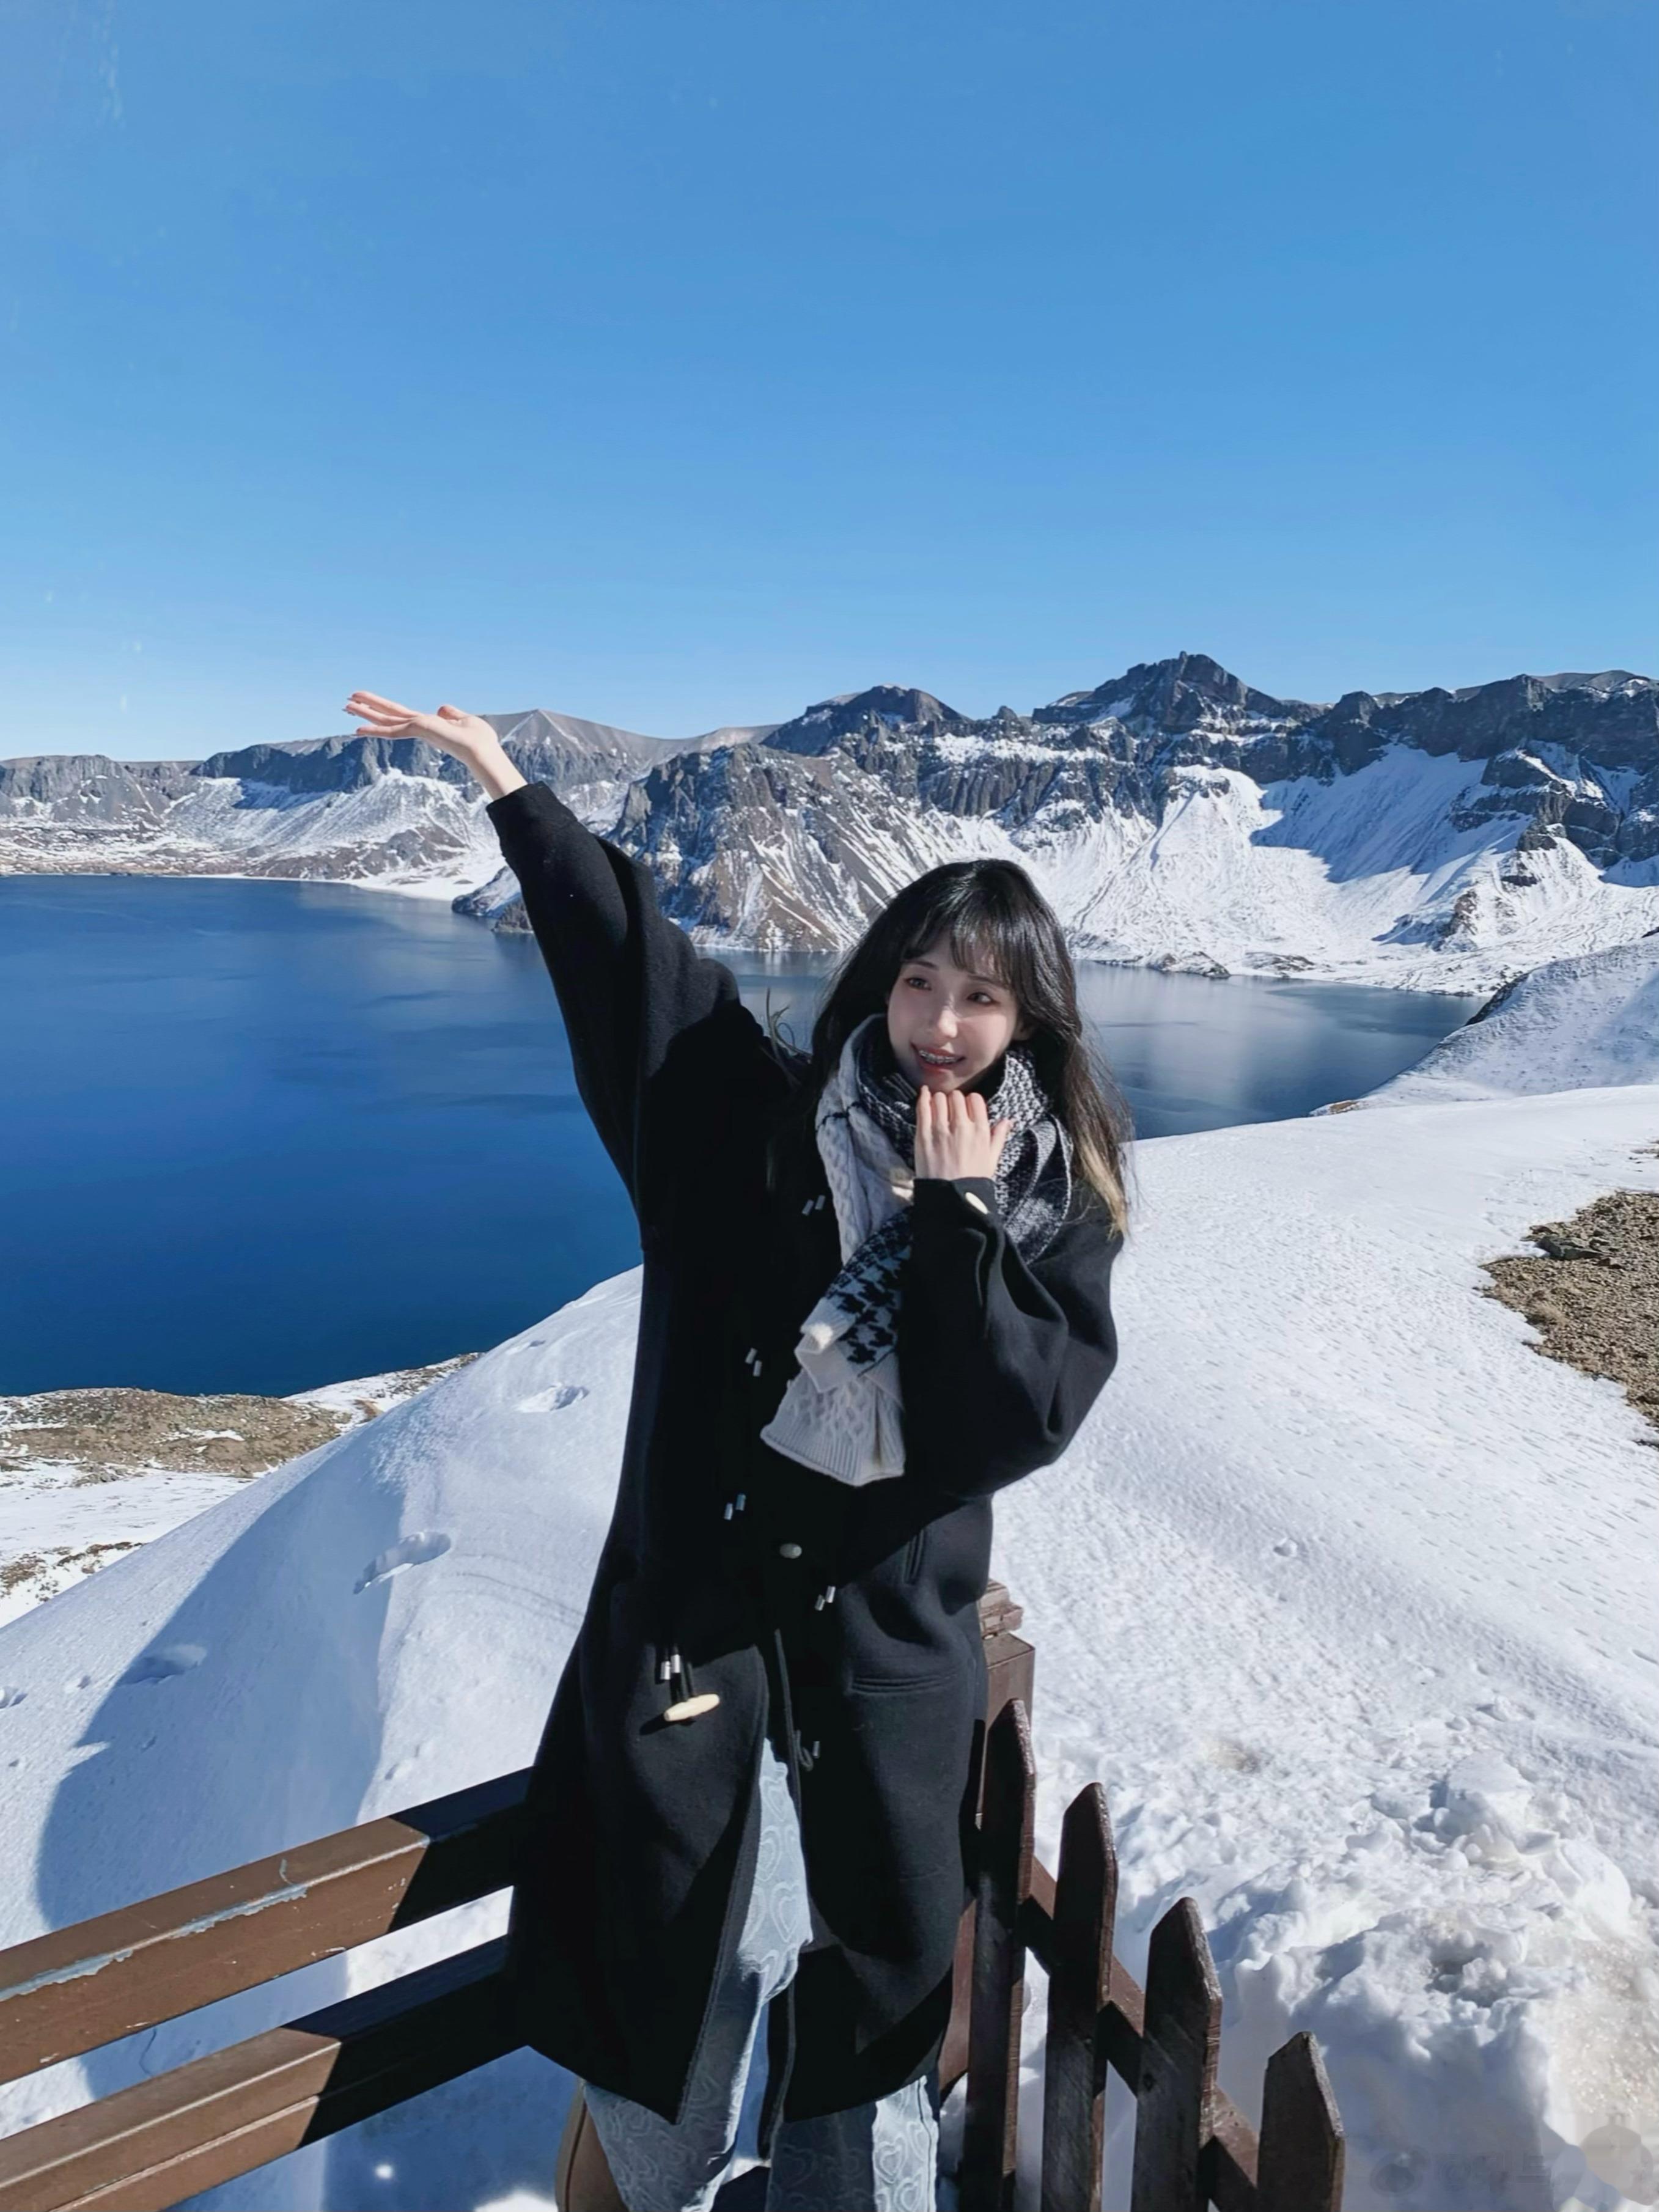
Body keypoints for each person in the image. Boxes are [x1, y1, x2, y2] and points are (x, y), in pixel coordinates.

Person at [345, 692, 1132, 2212]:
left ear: (1029, 1020)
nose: (942, 1026)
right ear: (879, 988)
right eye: (918, 984)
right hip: (700, 1658)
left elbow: (1006, 1423)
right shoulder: (758, 1128)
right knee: (682, 2004)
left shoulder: (1050, 1205)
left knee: (865, 2023)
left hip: (886, 1677)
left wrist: (955, 1227)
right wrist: (513, 790)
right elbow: (641, 979)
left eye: (981, 1000)